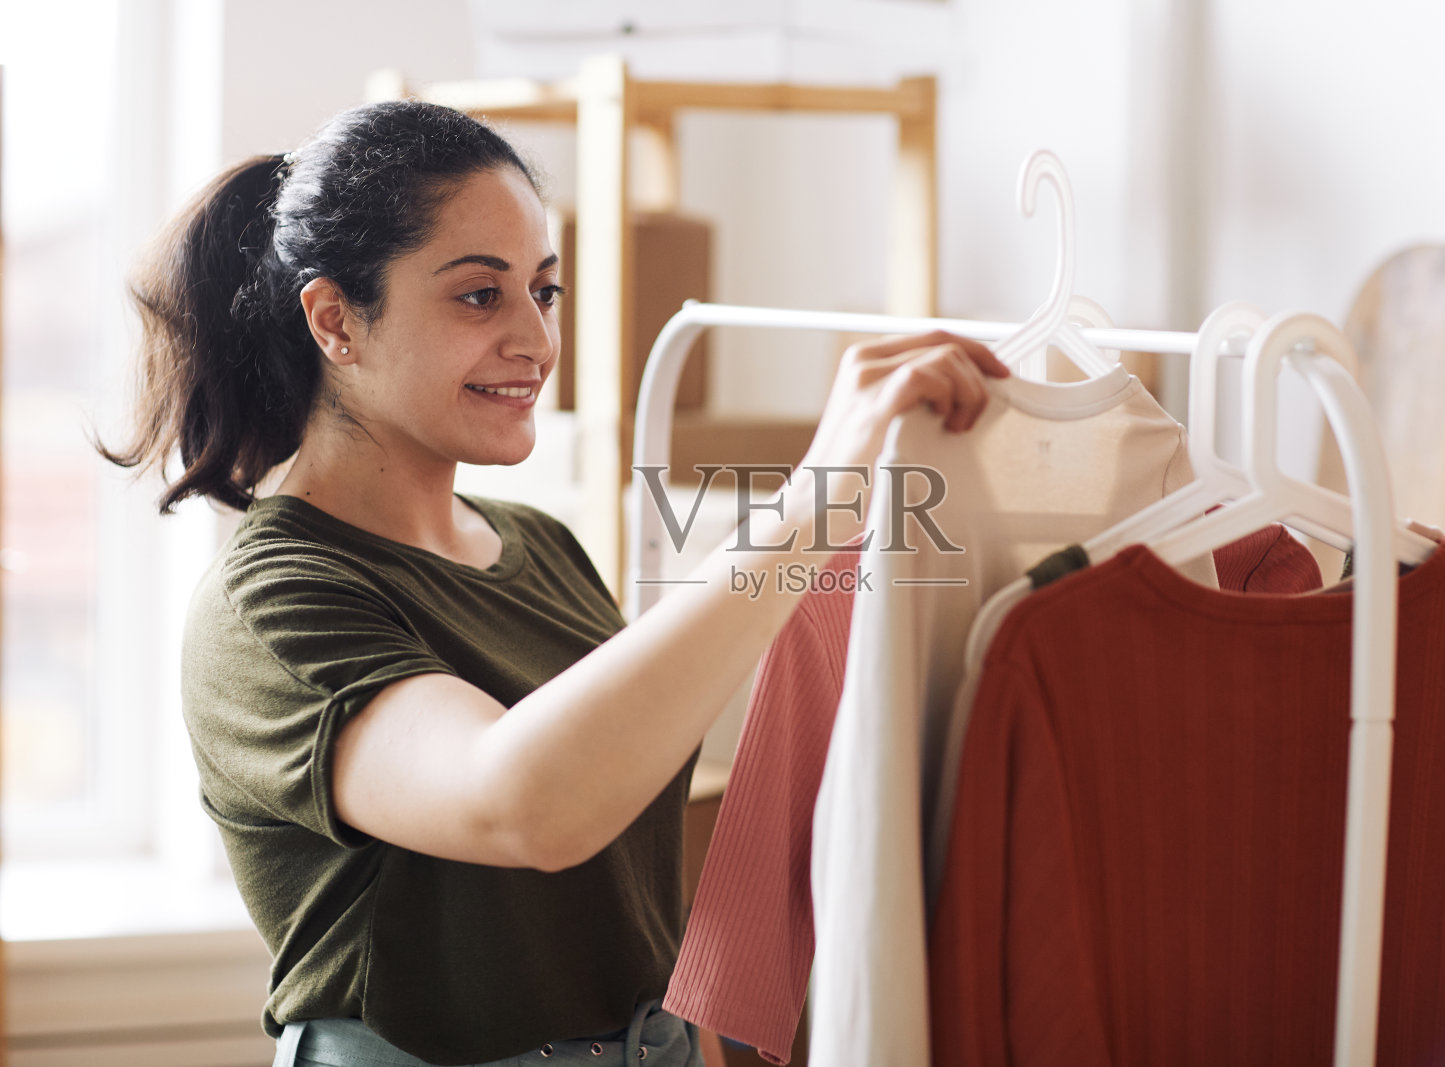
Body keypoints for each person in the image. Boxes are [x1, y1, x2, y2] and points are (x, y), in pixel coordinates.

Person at [99, 99, 1006, 1067]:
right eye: (479, 296)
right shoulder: (270, 602)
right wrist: (810, 503)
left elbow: (629, 873)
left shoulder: (542, 547)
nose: (536, 339)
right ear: (335, 321)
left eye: (545, 290)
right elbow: (527, 802)